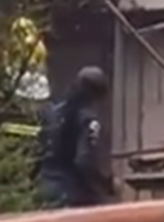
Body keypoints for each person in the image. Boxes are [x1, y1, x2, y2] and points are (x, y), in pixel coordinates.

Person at [33, 65, 115, 208]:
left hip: (43, 187)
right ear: (97, 95)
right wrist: (107, 182)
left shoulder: (53, 113)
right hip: (71, 193)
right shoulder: (88, 120)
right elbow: (84, 161)